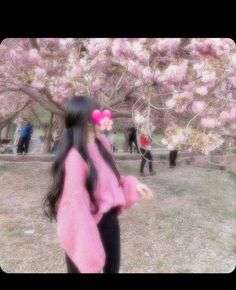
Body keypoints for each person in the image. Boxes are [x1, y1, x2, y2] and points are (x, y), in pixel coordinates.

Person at [43, 96, 154, 274]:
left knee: (112, 269)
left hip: (110, 223)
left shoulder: (103, 145)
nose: (104, 120)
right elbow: (75, 209)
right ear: (85, 122)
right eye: (98, 116)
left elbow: (111, 180)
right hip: (88, 228)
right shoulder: (74, 159)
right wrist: (88, 253)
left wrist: (133, 185)